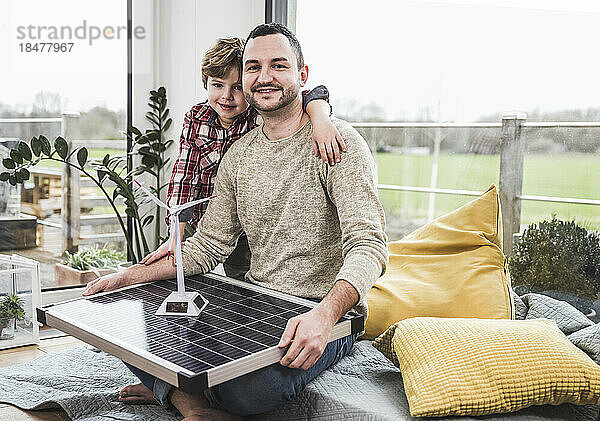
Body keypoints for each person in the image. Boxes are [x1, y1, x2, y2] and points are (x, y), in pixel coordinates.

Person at [84, 23, 388, 421]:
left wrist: (325, 315)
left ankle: (174, 391)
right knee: (137, 333)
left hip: (324, 313)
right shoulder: (239, 156)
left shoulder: (337, 143)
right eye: (253, 67)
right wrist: (129, 276)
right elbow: (208, 244)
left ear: (303, 75)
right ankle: (188, 401)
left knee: (248, 390)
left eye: (278, 65)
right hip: (256, 299)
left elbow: (370, 245)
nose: (264, 77)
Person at [141, 37, 344, 282]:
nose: (226, 96)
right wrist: (176, 234)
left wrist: (321, 118)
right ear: (205, 84)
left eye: (237, 87)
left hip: (245, 230)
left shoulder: (259, 116)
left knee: (242, 283)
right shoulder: (196, 118)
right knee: (184, 274)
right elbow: (184, 176)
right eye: (217, 85)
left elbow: (314, 93)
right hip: (198, 221)